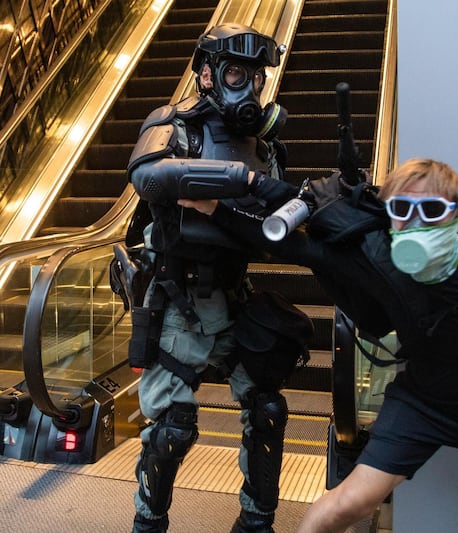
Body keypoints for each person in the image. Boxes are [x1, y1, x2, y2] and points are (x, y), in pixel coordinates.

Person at [182, 158, 458, 532]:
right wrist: (214, 209)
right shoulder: (379, 260)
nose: (415, 226)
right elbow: (290, 245)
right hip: (422, 405)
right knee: (347, 504)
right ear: (389, 219)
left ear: (454, 215)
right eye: (402, 212)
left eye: (430, 212)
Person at [125, 24, 307, 533]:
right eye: (233, 73)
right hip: (180, 302)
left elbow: (274, 227)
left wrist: (251, 196)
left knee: (267, 411)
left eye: (255, 78)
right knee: (172, 431)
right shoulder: (173, 124)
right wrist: (244, 182)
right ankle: (148, 523)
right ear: (205, 73)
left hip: (234, 298)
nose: (246, 87)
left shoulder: (264, 144)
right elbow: (148, 177)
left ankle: (256, 522)